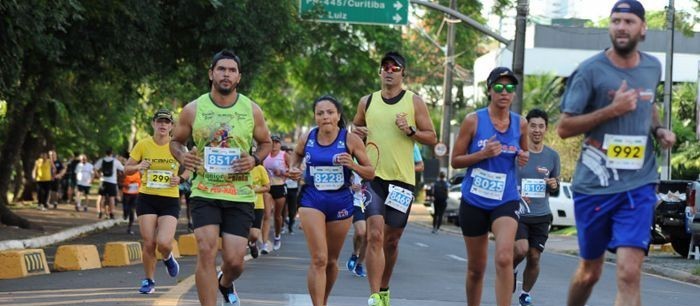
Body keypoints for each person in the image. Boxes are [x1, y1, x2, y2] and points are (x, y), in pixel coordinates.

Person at [557, 2, 675, 306]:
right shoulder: (589, 71)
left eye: (629, 21)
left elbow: (649, 107)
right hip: (595, 186)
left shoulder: (652, 67)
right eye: (616, 21)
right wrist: (613, 110)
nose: (622, 26)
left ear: (643, 28)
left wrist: (659, 130)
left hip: (638, 183)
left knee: (629, 271)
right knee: (590, 271)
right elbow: (564, 127)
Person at [170, 49, 272, 306]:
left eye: (232, 70)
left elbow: (265, 143)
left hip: (239, 193)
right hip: (205, 190)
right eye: (221, 69)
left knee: (235, 261)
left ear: (239, 77)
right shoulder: (193, 109)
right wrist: (183, 157)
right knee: (205, 251)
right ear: (211, 73)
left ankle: (225, 282)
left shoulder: (252, 110)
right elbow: (176, 142)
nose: (226, 74)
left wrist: (255, 160)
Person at [352, 51, 437, 306]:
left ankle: (385, 287)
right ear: (380, 72)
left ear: (403, 73)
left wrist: (410, 130)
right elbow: (353, 134)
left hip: (402, 181)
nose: (389, 71)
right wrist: (356, 131)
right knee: (375, 234)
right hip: (373, 177)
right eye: (385, 67)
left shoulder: (414, 102)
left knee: (391, 239)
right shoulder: (366, 102)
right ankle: (375, 295)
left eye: (395, 67)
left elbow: (431, 137)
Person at [451, 66, 529, 306]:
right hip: (474, 200)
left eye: (509, 88)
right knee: (476, 268)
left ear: (514, 93)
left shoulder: (521, 124)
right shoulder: (473, 121)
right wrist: (482, 154)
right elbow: (455, 160)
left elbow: (523, 155)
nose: (504, 92)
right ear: (489, 90)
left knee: (505, 257)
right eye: (498, 87)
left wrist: (523, 158)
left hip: (505, 199)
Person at [288, 95, 375, 306]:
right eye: (320, 113)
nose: (325, 116)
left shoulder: (350, 139)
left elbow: (371, 172)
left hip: (341, 201)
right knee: (319, 258)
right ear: (315, 117)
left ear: (338, 116)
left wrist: (353, 166)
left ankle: (323, 300)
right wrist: (294, 167)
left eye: (330, 112)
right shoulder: (307, 137)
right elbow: (297, 155)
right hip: (312, 199)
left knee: (331, 261)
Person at [125, 109, 183, 294]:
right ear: (153, 124)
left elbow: (191, 167)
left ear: (172, 126)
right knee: (149, 242)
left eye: (167, 122)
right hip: (147, 198)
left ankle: (167, 257)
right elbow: (127, 169)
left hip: (170, 199)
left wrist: (181, 179)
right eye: (160, 121)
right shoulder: (143, 144)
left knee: (164, 242)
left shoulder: (177, 146)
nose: (163, 125)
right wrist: (138, 166)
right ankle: (149, 281)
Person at [512, 108, 561, 306]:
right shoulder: (517, 153)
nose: (537, 130)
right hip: (519, 213)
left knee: (534, 257)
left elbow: (555, 188)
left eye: (541, 126)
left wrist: (554, 185)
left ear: (546, 129)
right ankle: (511, 270)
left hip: (542, 215)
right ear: (526, 128)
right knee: (521, 250)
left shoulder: (552, 156)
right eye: (533, 126)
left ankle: (525, 293)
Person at [263, 135, 289, 251]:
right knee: (267, 215)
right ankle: (264, 243)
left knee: (277, 216)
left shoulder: (284, 155)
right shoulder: (265, 155)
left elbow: (293, 172)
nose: (274, 145)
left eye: (276, 142)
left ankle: (277, 236)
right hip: (267, 187)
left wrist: (282, 173)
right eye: (272, 142)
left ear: (280, 144)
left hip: (279, 186)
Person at [346, 171, 368, 277]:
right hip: (357, 202)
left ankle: (359, 264)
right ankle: (355, 254)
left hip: (372, 203)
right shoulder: (353, 162)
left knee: (368, 236)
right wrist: (350, 186)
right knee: (361, 232)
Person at [95, 148, 124, 219]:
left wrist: (99, 176)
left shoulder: (101, 160)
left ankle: (100, 212)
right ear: (112, 153)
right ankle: (112, 213)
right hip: (112, 182)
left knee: (101, 197)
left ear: (105, 153)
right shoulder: (115, 161)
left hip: (103, 181)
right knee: (112, 198)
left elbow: (95, 168)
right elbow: (123, 169)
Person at [249, 161, 270, 258]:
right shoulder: (237, 167)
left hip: (257, 205)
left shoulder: (260, 168)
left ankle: (252, 244)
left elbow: (267, 187)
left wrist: (252, 190)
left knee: (254, 235)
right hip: (240, 204)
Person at [122, 162, 140, 235]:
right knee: (126, 209)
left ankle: (129, 228)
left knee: (132, 210)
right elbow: (120, 182)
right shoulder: (125, 173)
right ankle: (125, 214)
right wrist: (126, 185)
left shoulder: (139, 173)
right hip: (126, 193)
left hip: (135, 194)